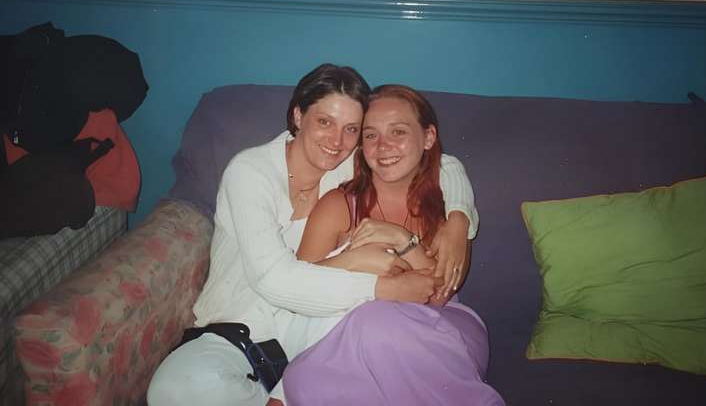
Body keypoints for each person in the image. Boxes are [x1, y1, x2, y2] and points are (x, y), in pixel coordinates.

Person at [147, 65, 479, 406]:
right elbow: (273, 281)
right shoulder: (250, 172)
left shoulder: (349, 162)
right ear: (297, 115)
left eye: (352, 129)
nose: (337, 142)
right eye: (324, 122)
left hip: (319, 329)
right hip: (239, 334)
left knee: (364, 318)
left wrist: (458, 218)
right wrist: (364, 272)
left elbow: (439, 162)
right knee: (171, 393)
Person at [282, 84, 503, 405]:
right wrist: (356, 262)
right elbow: (297, 291)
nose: (383, 146)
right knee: (316, 368)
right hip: (358, 340)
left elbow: (439, 293)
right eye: (371, 135)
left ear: (428, 138)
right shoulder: (339, 205)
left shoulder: (450, 209)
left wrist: (402, 240)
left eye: (398, 131)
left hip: (445, 331)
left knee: (371, 326)